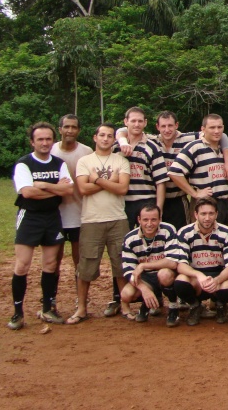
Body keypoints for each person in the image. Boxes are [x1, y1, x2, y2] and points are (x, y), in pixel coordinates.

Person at [118, 110, 228, 229]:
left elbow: (220, 134)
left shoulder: (187, 139)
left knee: (181, 234)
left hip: (177, 198)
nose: (167, 130)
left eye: (170, 125)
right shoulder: (152, 141)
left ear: (177, 125)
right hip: (155, 198)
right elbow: (123, 131)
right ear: (157, 127)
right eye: (163, 126)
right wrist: (122, 141)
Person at [9, 122, 74, 330]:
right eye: (40, 139)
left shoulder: (59, 163)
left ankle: (48, 308)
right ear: (32, 142)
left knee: (50, 265)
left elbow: (69, 191)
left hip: (52, 216)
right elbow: (27, 193)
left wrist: (45, 186)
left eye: (48, 139)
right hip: (30, 216)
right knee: (23, 265)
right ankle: (17, 313)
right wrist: (57, 189)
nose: (45, 143)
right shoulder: (24, 164)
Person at [67, 123, 131, 325]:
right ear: (94, 137)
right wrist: (108, 181)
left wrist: (96, 180)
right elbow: (83, 189)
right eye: (102, 135)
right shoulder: (84, 161)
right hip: (91, 220)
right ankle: (82, 308)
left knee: (120, 264)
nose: (105, 139)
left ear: (114, 140)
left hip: (117, 219)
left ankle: (126, 306)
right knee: (85, 266)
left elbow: (122, 189)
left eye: (110, 136)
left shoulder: (120, 160)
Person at [169, 197, 228, 325]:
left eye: (211, 213)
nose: (207, 218)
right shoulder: (184, 233)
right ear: (196, 215)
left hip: (218, 276)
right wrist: (199, 275)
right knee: (180, 282)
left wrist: (217, 280)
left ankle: (220, 305)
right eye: (203, 214)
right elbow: (181, 265)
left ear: (216, 214)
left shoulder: (227, 233)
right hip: (196, 277)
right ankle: (195, 306)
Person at [52, 114, 92, 309]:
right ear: (59, 129)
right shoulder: (50, 151)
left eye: (73, 127)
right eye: (66, 127)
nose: (69, 130)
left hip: (79, 213)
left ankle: (81, 299)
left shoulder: (86, 152)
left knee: (79, 260)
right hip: (55, 216)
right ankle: (50, 299)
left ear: (78, 130)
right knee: (54, 260)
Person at [168, 114, 228, 226]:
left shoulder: (223, 149)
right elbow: (174, 172)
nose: (217, 131)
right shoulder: (195, 147)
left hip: (223, 203)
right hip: (204, 204)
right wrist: (194, 193)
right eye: (212, 128)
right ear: (203, 129)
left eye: (219, 127)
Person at [120, 203, 180, 325]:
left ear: (160, 219)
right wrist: (143, 289)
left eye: (154, 219)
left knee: (165, 275)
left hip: (165, 272)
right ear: (139, 220)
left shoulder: (168, 230)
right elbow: (128, 271)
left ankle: (174, 306)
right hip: (145, 278)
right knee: (126, 295)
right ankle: (148, 302)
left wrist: (143, 265)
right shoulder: (130, 238)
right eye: (145, 219)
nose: (149, 224)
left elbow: (173, 262)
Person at [114, 107, 168, 230]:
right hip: (121, 202)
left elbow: (161, 182)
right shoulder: (115, 148)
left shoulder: (152, 147)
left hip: (146, 201)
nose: (136, 124)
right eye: (133, 121)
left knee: (147, 239)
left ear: (145, 122)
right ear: (126, 122)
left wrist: (158, 209)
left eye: (140, 121)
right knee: (123, 240)